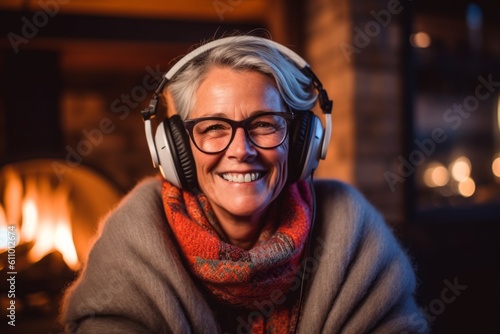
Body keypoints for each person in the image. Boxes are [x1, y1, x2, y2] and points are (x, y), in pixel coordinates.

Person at [60, 34, 428, 333]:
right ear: (174, 149)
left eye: (265, 124)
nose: (241, 150)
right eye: (213, 128)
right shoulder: (131, 239)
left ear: (304, 142)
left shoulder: (354, 231)